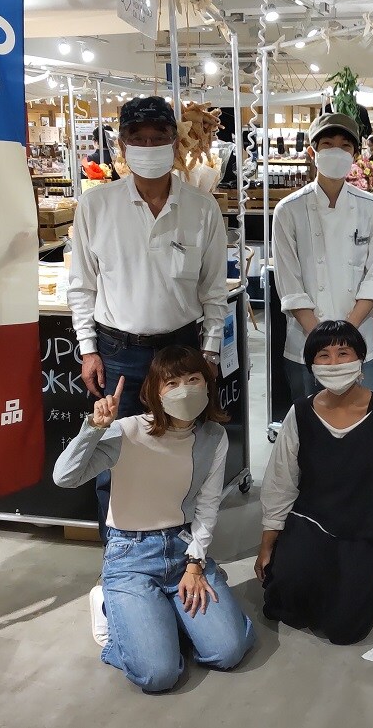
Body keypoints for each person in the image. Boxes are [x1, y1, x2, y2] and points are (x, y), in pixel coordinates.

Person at [68, 95, 228, 534]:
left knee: (181, 447)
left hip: (181, 349)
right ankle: (118, 550)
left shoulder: (201, 208)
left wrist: (210, 352)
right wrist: (88, 349)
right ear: (122, 145)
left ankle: (181, 543)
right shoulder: (97, 206)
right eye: (137, 138)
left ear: (175, 142)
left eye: (159, 137)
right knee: (113, 449)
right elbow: (82, 285)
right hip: (118, 351)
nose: (148, 146)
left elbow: (214, 289)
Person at [53, 346, 255, 692]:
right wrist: (93, 428)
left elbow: (207, 506)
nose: (184, 390)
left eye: (193, 379)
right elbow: (65, 477)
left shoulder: (213, 436)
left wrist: (195, 564)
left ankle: (162, 618)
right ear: (154, 393)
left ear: (207, 385)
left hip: (182, 549)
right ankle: (110, 607)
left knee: (228, 651)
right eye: (171, 383)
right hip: (130, 555)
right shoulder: (127, 431)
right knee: (158, 675)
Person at [256, 321, 373, 644]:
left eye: (343, 353)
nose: (334, 362)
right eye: (323, 355)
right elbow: (280, 483)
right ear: (311, 365)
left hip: (361, 531)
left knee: (345, 630)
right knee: (284, 602)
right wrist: (267, 545)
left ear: (360, 359)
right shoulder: (299, 413)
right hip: (310, 523)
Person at [273, 114, 373, 403]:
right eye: (327, 144)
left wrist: (346, 337)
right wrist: (323, 342)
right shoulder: (289, 210)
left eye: (345, 146)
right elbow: (290, 286)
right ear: (312, 152)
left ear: (355, 155)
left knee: (368, 420)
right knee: (309, 423)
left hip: (358, 342)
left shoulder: (372, 207)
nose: (336, 151)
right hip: (306, 344)